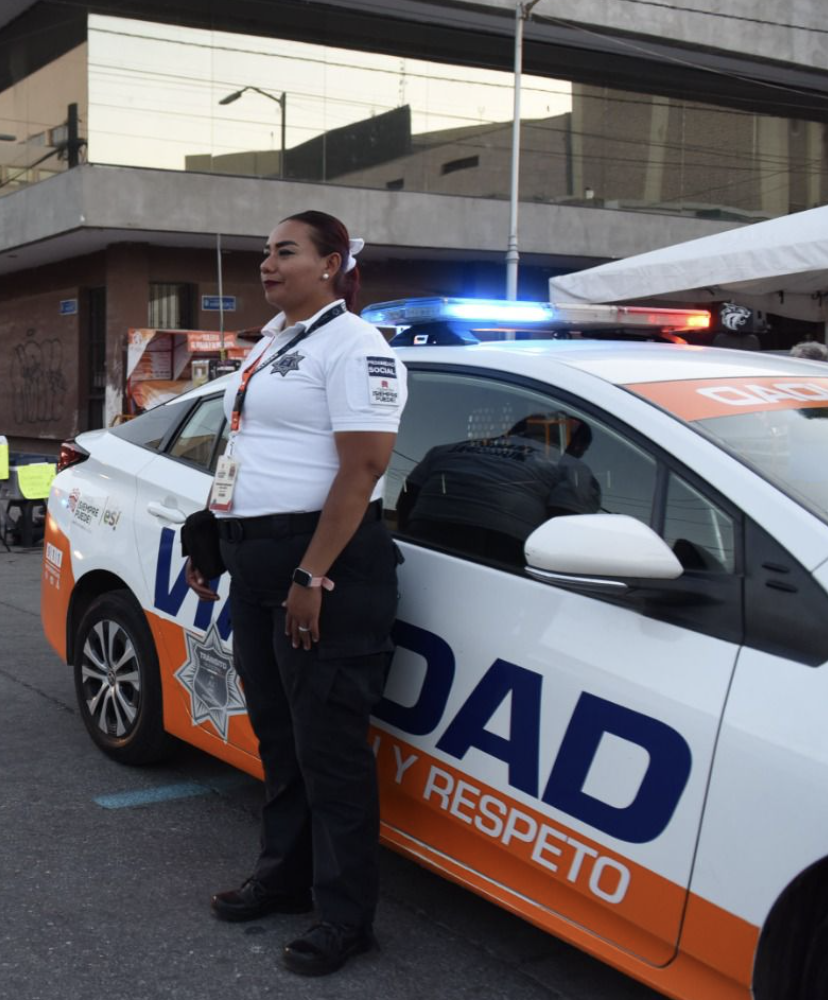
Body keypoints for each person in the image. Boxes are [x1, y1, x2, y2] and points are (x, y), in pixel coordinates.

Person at [185, 210, 406, 977]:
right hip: (257, 562)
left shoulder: (357, 346)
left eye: (285, 252)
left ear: (331, 261)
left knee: (330, 751)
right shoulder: (277, 341)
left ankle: (346, 918)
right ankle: (284, 877)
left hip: (324, 568)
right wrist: (212, 530)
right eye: (265, 254)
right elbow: (249, 445)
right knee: (279, 738)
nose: (267, 265)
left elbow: (364, 469)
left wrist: (309, 576)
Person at [398, 412, 601, 566]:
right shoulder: (571, 467)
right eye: (583, 449)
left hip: (418, 542)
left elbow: (407, 499)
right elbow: (565, 531)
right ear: (576, 446)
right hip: (502, 557)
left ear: (512, 431)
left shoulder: (445, 450)